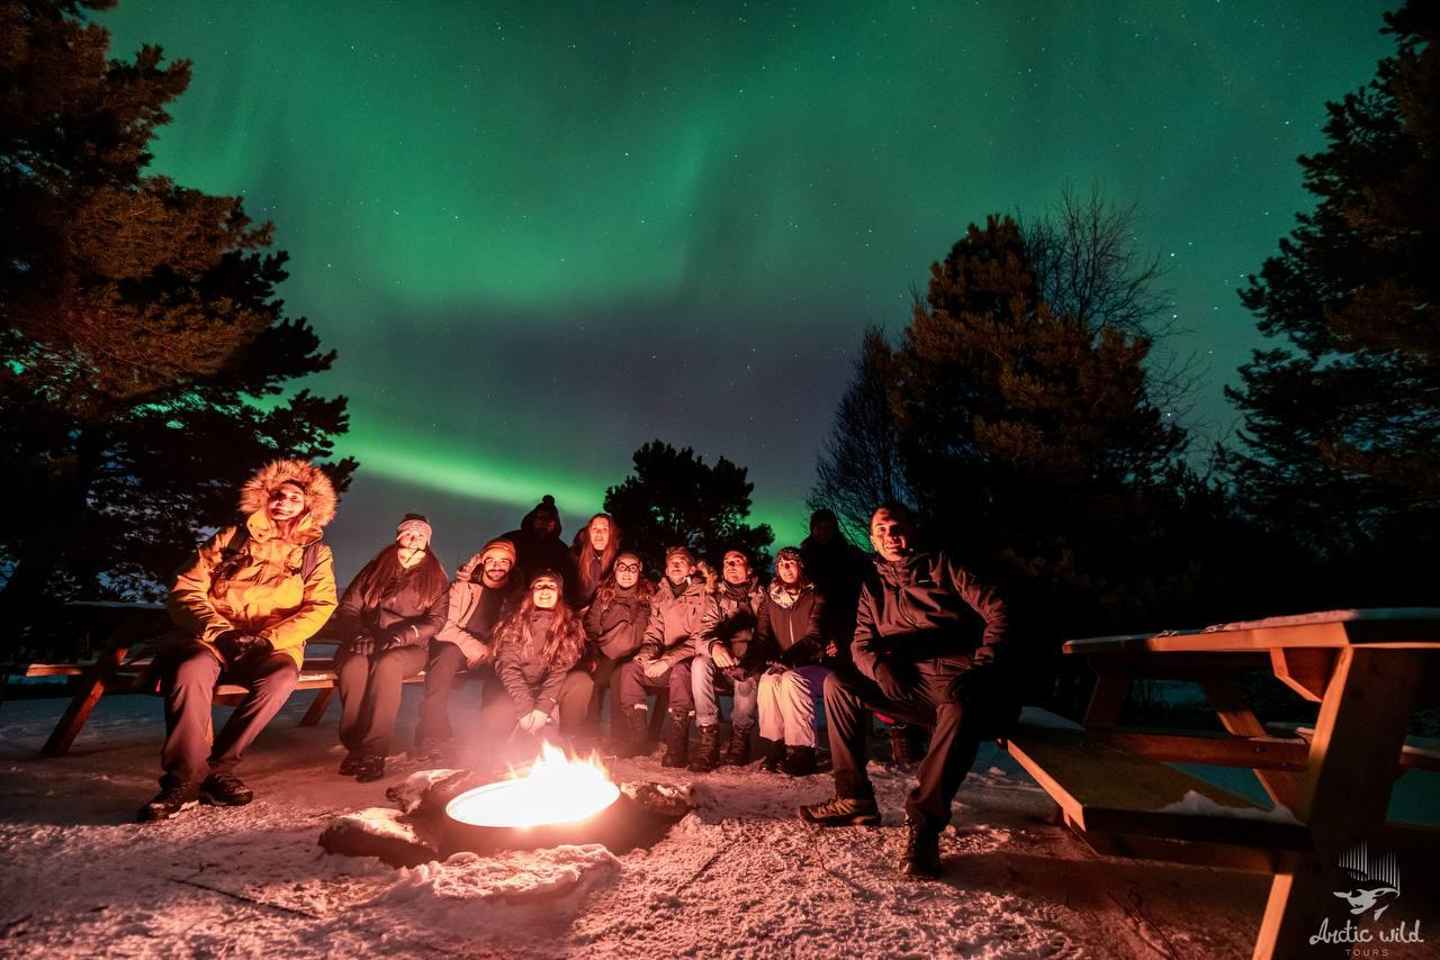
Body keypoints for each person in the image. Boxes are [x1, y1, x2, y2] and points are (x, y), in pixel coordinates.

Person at [799, 503, 1013, 880]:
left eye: (896, 528)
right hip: (906, 683)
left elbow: (999, 610)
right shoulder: (872, 587)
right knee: (837, 685)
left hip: (957, 680)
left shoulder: (943, 567)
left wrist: (983, 667)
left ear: (912, 530)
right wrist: (879, 669)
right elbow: (859, 645)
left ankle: (925, 827)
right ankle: (854, 797)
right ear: (872, 540)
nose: (890, 536)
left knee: (960, 709)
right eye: (881, 531)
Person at [143, 459, 338, 822]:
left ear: (308, 506)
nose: (284, 502)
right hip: (217, 638)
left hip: (270, 645)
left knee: (280, 678)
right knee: (190, 671)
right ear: (265, 498)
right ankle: (183, 779)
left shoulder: (315, 554)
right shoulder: (230, 538)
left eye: (295, 498)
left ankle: (219, 767)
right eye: (278, 495)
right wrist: (221, 631)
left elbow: (321, 604)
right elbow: (186, 589)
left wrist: (269, 639)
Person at [333, 514, 449, 782]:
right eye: (409, 533)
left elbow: (437, 620)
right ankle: (356, 746)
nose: (415, 539)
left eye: (421, 535)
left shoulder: (435, 575)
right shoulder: (377, 568)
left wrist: (402, 636)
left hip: (408, 647)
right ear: (399, 536)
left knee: (388, 666)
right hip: (367, 641)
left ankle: (374, 751)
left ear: (427, 541)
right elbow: (349, 607)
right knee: (354, 667)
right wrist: (358, 633)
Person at [803, 508, 924, 764]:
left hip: (851, 621)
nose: (823, 531)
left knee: (866, 673)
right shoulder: (805, 557)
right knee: (842, 683)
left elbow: (864, 584)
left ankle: (898, 730)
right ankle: (847, 751)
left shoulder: (849, 555)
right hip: (818, 628)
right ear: (812, 530)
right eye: (818, 527)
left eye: (827, 526)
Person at [413, 537, 518, 758]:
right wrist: (480, 650)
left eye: (504, 561)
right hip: (462, 651)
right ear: (483, 562)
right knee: (446, 654)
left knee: (506, 671)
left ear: (511, 565)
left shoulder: (517, 596)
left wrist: (495, 652)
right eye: (491, 560)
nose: (497, 566)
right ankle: (433, 733)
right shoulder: (462, 588)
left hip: (497, 655)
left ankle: (493, 738)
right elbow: (443, 627)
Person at [478, 569, 591, 767]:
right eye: (540, 586)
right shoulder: (514, 621)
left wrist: (542, 708)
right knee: (495, 715)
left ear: (559, 594)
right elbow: (508, 667)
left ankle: (569, 738)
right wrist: (525, 709)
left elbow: (559, 671)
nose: (545, 590)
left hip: (548, 687)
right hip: (515, 686)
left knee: (581, 682)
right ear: (531, 592)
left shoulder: (570, 625)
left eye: (551, 586)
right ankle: (505, 747)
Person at [614, 546, 705, 766]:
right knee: (629, 670)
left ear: (691, 568)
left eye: (681, 561)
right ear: (665, 568)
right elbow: (654, 633)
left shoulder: (704, 595)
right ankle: (639, 738)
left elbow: (701, 638)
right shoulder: (660, 596)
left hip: (691, 665)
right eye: (671, 562)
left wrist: (667, 660)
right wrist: (645, 655)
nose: (675, 565)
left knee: (681, 672)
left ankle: (677, 743)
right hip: (664, 663)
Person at [753, 546, 828, 776]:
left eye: (791, 563)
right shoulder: (770, 598)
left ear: (801, 566)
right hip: (785, 664)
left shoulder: (816, 595)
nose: (786, 567)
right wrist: (750, 664)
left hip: (817, 665)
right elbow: (762, 636)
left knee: (792, 679)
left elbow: (815, 637)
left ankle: (802, 751)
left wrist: (786, 659)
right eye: (781, 564)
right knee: (768, 680)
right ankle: (775, 745)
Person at [688, 548, 765, 772]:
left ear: (749, 570)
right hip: (723, 664)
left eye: (737, 561)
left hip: (751, 664)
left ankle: (740, 737)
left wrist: (749, 659)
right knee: (699, 663)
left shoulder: (764, 597)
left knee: (747, 672)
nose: (731, 566)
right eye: (726, 562)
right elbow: (704, 633)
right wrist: (715, 646)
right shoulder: (717, 600)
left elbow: (767, 634)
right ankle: (708, 736)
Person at [580, 551, 652, 737]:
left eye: (632, 568)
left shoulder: (649, 597)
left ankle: (620, 736)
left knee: (621, 678)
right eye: (622, 567)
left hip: (634, 653)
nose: (627, 573)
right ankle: (589, 733)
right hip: (604, 651)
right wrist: (598, 647)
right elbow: (592, 623)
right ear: (615, 570)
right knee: (594, 680)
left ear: (640, 570)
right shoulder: (604, 595)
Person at [501, 494, 576, 588]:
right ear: (533, 519)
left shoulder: (562, 550)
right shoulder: (512, 540)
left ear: (555, 523)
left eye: (550, 519)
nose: (545, 522)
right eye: (541, 518)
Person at [571, 513, 620, 608]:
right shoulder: (575, 556)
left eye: (604, 529)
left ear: (612, 534)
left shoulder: (619, 561)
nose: (599, 533)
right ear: (589, 533)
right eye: (595, 529)